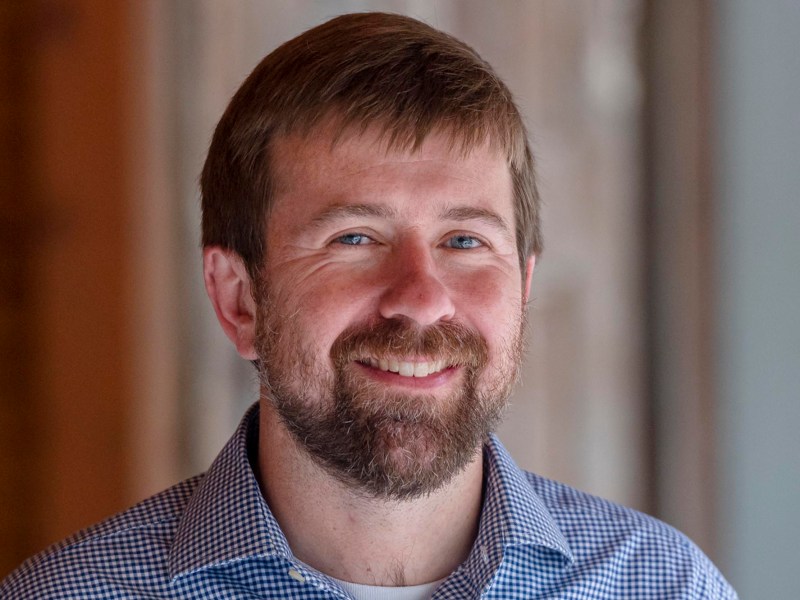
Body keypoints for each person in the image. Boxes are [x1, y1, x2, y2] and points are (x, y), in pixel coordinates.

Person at [1, 12, 736, 599]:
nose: (420, 298)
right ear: (238, 298)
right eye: (354, 237)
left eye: (464, 241)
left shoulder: (664, 585)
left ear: (524, 285)